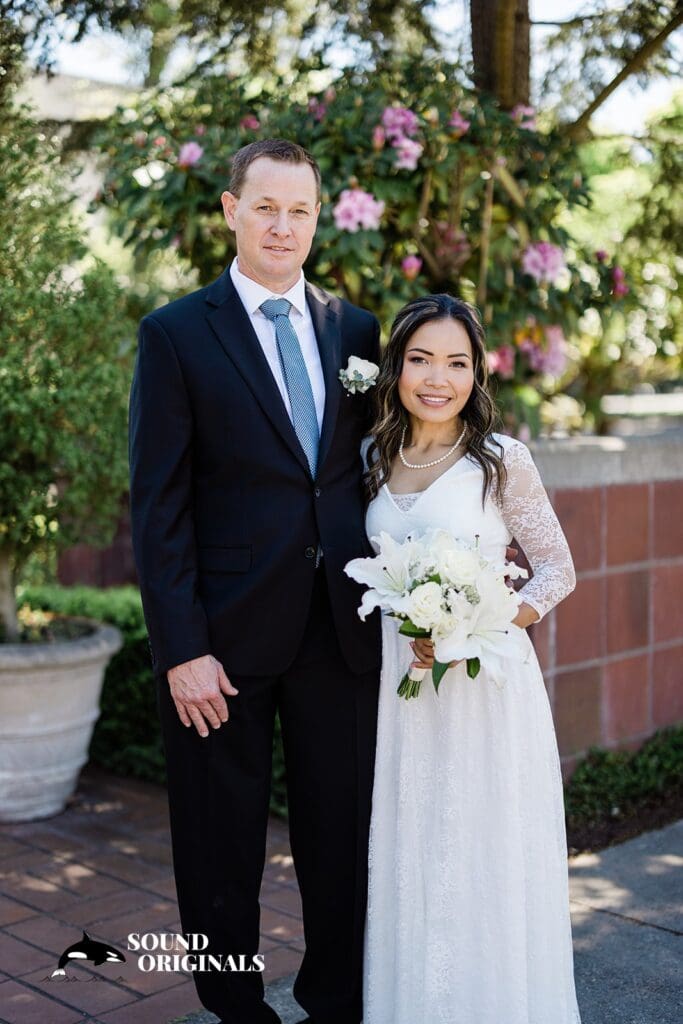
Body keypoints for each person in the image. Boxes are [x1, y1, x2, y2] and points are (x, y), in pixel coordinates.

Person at [128, 138, 381, 1024]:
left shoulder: (355, 330)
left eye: (300, 210)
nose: (283, 225)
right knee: (216, 841)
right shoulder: (174, 334)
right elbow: (156, 508)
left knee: (341, 835)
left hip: (341, 630)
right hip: (222, 641)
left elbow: (363, 472)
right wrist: (181, 649)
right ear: (231, 210)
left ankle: (334, 999)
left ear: (318, 218)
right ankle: (235, 1009)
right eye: (265, 207)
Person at [361, 294, 581, 1024]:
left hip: (485, 685)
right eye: (420, 358)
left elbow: (555, 568)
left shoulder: (499, 460)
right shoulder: (372, 455)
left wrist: (483, 619)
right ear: (396, 366)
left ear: (475, 374)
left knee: (483, 855)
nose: (437, 377)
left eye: (456, 362)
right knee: (414, 857)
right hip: (406, 686)